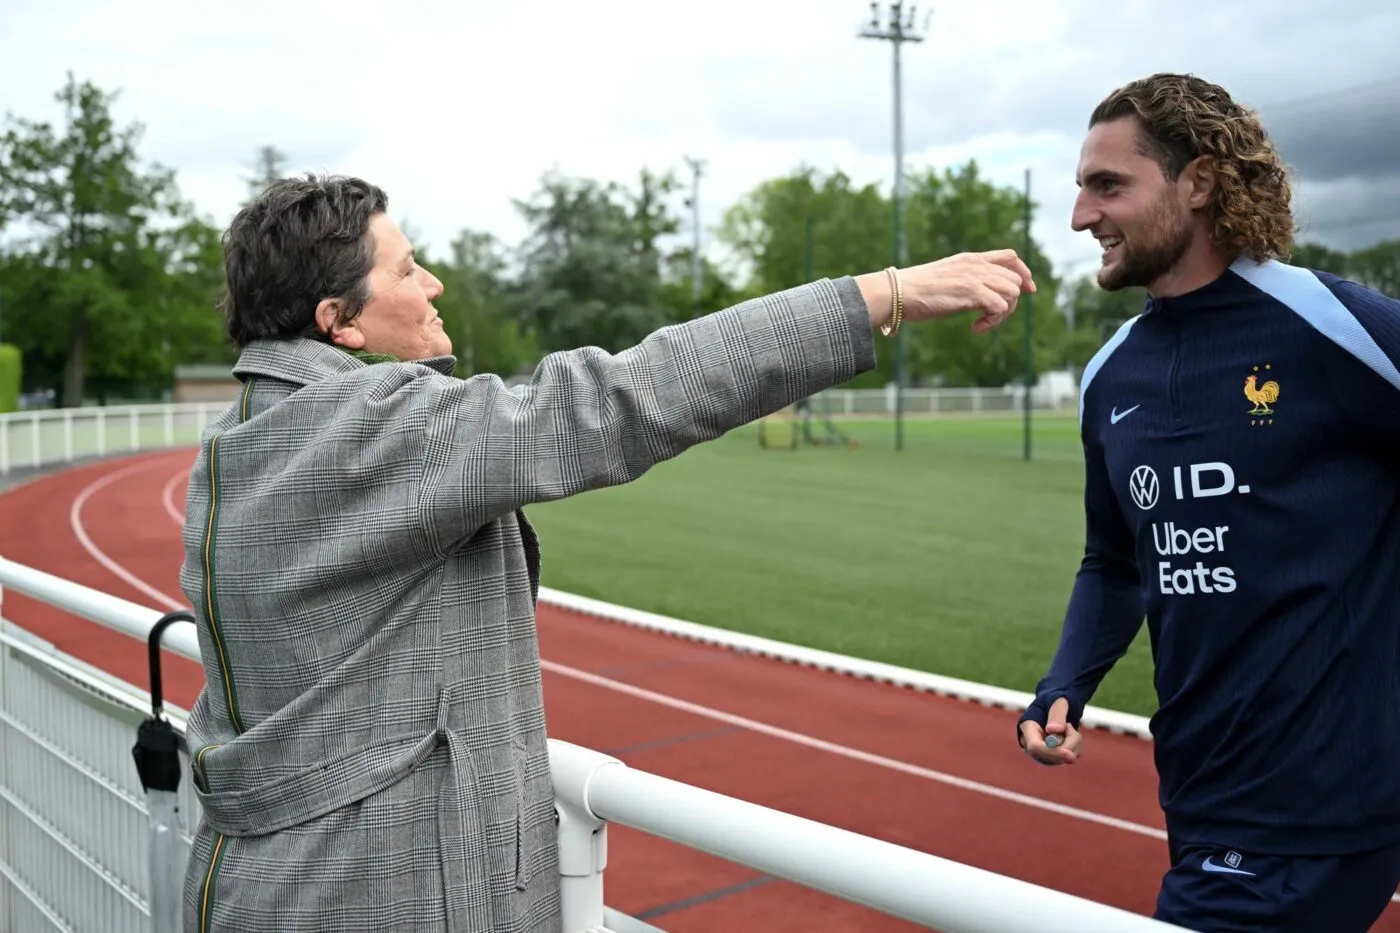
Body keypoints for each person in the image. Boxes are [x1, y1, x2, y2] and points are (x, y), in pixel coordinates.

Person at [177, 172, 1035, 933]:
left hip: (262, 885)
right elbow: (622, 398)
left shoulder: (242, 439)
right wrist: (878, 294)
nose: (433, 282)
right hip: (373, 894)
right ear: (340, 323)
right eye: (404, 269)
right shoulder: (367, 428)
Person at [1016, 71, 1400, 931]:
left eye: (1107, 185)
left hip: (1313, 815)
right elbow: (1116, 562)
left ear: (1199, 182)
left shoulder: (1334, 326)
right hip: (1198, 795)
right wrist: (1063, 683)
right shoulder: (1110, 375)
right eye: (1082, 188)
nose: (1082, 216)